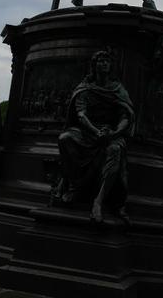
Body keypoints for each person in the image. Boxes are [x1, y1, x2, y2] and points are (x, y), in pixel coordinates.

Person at [57, 50, 135, 224]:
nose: (104, 63)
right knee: (65, 139)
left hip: (111, 132)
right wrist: (94, 131)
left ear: (111, 66)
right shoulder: (85, 87)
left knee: (115, 149)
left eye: (107, 61)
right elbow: (81, 114)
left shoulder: (117, 89)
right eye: (100, 61)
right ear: (94, 65)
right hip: (88, 131)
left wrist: (114, 133)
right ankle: (75, 186)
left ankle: (98, 201)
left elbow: (125, 116)